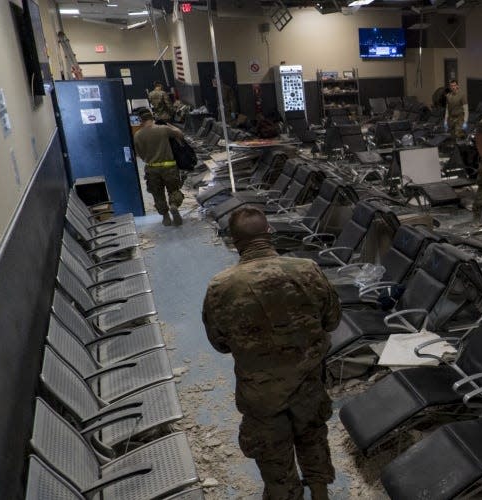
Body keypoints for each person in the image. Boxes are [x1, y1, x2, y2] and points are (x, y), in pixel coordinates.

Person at [202, 207, 341, 500]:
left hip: (262, 396)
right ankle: (319, 492)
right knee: (313, 439)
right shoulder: (307, 270)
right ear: (269, 233)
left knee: (276, 466)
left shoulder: (221, 287)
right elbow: (332, 321)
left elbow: (219, 343)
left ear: (234, 241)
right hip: (308, 385)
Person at [133, 108, 185, 226]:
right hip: (169, 167)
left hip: (152, 169)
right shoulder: (163, 129)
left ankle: (165, 217)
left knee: (157, 194)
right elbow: (180, 135)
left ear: (141, 120)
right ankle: (174, 205)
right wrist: (170, 125)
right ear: (152, 118)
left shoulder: (137, 135)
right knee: (174, 190)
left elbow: (140, 155)